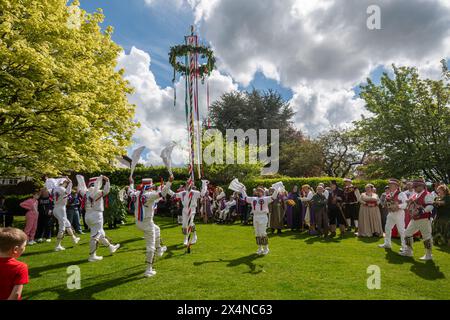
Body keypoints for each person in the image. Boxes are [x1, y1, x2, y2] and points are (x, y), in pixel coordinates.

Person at [127, 177, 171, 277]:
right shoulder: (149, 195)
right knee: (150, 246)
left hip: (138, 222)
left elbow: (130, 191)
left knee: (157, 229)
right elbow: (163, 194)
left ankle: (159, 249)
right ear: (149, 186)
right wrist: (169, 182)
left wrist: (131, 183)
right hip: (147, 223)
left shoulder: (136, 193)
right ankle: (148, 269)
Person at [77, 175, 120, 262]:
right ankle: (92, 256)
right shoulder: (98, 192)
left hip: (87, 216)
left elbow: (79, 189)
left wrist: (80, 181)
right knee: (95, 236)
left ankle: (111, 247)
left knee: (101, 234)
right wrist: (107, 180)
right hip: (96, 216)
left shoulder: (85, 192)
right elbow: (107, 190)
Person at [400, 179, 435, 260]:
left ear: (422, 186)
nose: (414, 188)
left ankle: (428, 255)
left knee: (426, 236)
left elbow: (431, 206)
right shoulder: (415, 195)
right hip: (414, 218)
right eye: (414, 186)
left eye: (416, 186)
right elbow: (410, 203)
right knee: (407, 233)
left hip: (424, 219)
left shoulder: (427, 194)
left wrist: (421, 211)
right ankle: (409, 252)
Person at [167, 179, 208, 247]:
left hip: (192, 209)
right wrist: (167, 189)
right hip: (185, 209)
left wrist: (204, 184)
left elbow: (202, 194)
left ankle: (194, 236)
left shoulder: (195, 192)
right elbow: (174, 195)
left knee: (190, 223)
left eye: (189, 184)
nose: (188, 185)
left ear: (191, 185)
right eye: (187, 184)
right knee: (184, 225)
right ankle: (186, 238)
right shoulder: (183, 193)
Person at [241, 186, 280, 255]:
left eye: (259, 191)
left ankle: (266, 248)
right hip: (255, 216)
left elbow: (273, 197)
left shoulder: (266, 198)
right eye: (257, 191)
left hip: (263, 216)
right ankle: (260, 248)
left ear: (262, 192)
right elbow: (245, 198)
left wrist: (276, 189)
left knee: (263, 233)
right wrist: (242, 190)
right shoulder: (253, 198)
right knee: (257, 233)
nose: (258, 192)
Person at [378, 179, 408, 251]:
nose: (390, 187)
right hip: (391, 213)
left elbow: (406, 204)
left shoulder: (401, 194)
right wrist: (386, 205)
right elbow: (388, 204)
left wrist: (398, 206)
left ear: (396, 186)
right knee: (387, 228)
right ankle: (387, 244)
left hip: (399, 213)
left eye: (391, 185)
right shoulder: (389, 194)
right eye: (389, 185)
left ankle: (404, 247)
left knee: (401, 230)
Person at [52, 177, 80, 251]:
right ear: (63, 182)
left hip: (56, 208)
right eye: (66, 183)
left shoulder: (55, 188)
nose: (66, 184)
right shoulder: (61, 189)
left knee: (67, 224)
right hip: (60, 209)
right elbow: (68, 192)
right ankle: (57, 245)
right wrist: (70, 182)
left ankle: (74, 238)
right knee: (62, 227)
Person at [0, 227, 29, 300]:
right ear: (15, 249)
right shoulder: (20, 267)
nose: (24, 248)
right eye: (24, 246)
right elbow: (16, 294)